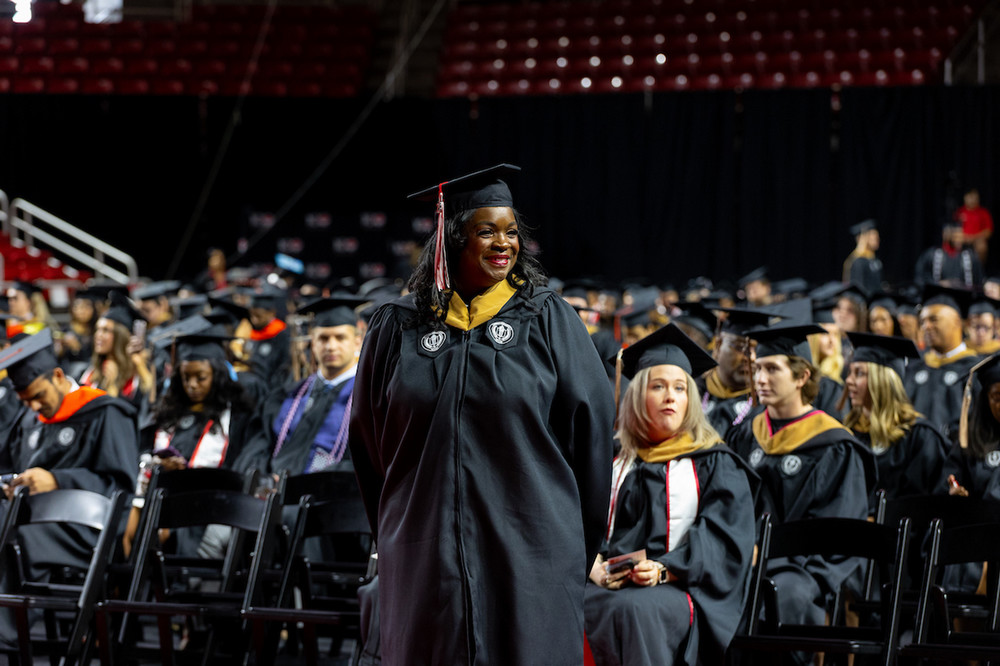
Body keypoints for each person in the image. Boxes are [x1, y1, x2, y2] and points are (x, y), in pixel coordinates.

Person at [349, 164, 615, 665]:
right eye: (486, 231)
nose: (503, 243)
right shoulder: (397, 329)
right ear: (452, 239)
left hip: (530, 549)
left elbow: (592, 441)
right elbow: (369, 444)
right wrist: (400, 525)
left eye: (511, 232)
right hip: (424, 551)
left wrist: (568, 544)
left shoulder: (547, 321)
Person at [584, 324, 757, 666]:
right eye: (658, 386)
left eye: (680, 388)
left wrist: (664, 569)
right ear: (637, 395)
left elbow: (722, 540)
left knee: (634, 610)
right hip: (609, 583)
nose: (670, 396)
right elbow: (577, 521)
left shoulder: (714, 463)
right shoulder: (614, 458)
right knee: (556, 602)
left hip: (684, 587)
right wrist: (592, 564)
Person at [727, 324, 873, 646]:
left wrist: (771, 556)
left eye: (772, 369)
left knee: (781, 593)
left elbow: (839, 529)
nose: (760, 379)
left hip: (805, 568)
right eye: (758, 369)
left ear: (802, 376)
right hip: (745, 557)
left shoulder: (833, 445)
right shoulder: (746, 434)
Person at [0, 329, 138, 649]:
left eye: (38, 396)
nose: (34, 407)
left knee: (16, 531)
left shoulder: (106, 412)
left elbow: (120, 488)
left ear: (58, 376)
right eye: (25, 401)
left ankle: (6, 633)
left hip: (88, 528)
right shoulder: (32, 420)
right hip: (39, 516)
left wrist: (59, 481)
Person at [123, 331, 266, 556]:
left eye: (201, 377)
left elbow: (244, 466)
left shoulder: (237, 415)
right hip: (159, 497)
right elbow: (143, 451)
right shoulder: (168, 411)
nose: (192, 385)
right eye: (185, 377)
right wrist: (157, 464)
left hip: (210, 504)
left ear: (217, 375)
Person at [234, 296, 365, 478]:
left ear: (357, 341)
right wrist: (264, 480)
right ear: (313, 342)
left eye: (340, 338)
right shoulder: (286, 396)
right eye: (323, 338)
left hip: (331, 498)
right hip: (274, 497)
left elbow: (368, 462)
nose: (331, 346)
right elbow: (257, 447)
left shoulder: (368, 400)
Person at [841, 332, 950, 513]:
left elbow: (925, 505)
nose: (849, 381)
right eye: (850, 372)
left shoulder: (920, 438)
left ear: (883, 381)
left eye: (859, 373)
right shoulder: (848, 434)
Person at [904, 285, 981, 442]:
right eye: (922, 321)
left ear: (958, 322)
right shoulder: (914, 367)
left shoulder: (976, 370)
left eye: (933, 319)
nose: (926, 326)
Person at [696, 306, 773, 438]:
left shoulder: (767, 403)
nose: (751, 357)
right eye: (740, 347)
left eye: (758, 349)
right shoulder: (693, 390)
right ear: (719, 345)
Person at [79, 291, 155, 424]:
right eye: (98, 329)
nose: (98, 335)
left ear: (121, 336)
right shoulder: (89, 373)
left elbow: (140, 416)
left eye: (106, 330)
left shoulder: (137, 375)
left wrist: (113, 386)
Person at [915, 221, 984, 289]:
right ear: (947, 236)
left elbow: (979, 281)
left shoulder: (970, 257)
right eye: (956, 237)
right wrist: (939, 284)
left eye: (961, 237)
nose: (960, 240)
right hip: (939, 296)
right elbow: (920, 278)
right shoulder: (932, 255)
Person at [842, 219, 883, 296]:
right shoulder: (858, 261)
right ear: (864, 239)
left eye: (877, 238)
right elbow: (858, 288)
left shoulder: (875, 260)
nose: (878, 240)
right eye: (874, 238)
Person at [954, 187, 993, 266]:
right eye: (970, 197)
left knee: (982, 246)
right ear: (965, 198)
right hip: (963, 238)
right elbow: (955, 228)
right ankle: (956, 269)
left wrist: (974, 237)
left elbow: (988, 231)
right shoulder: (960, 212)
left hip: (977, 238)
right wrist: (964, 237)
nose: (972, 200)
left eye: (975, 197)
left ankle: (979, 270)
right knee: (956, 240)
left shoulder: (983, 212)